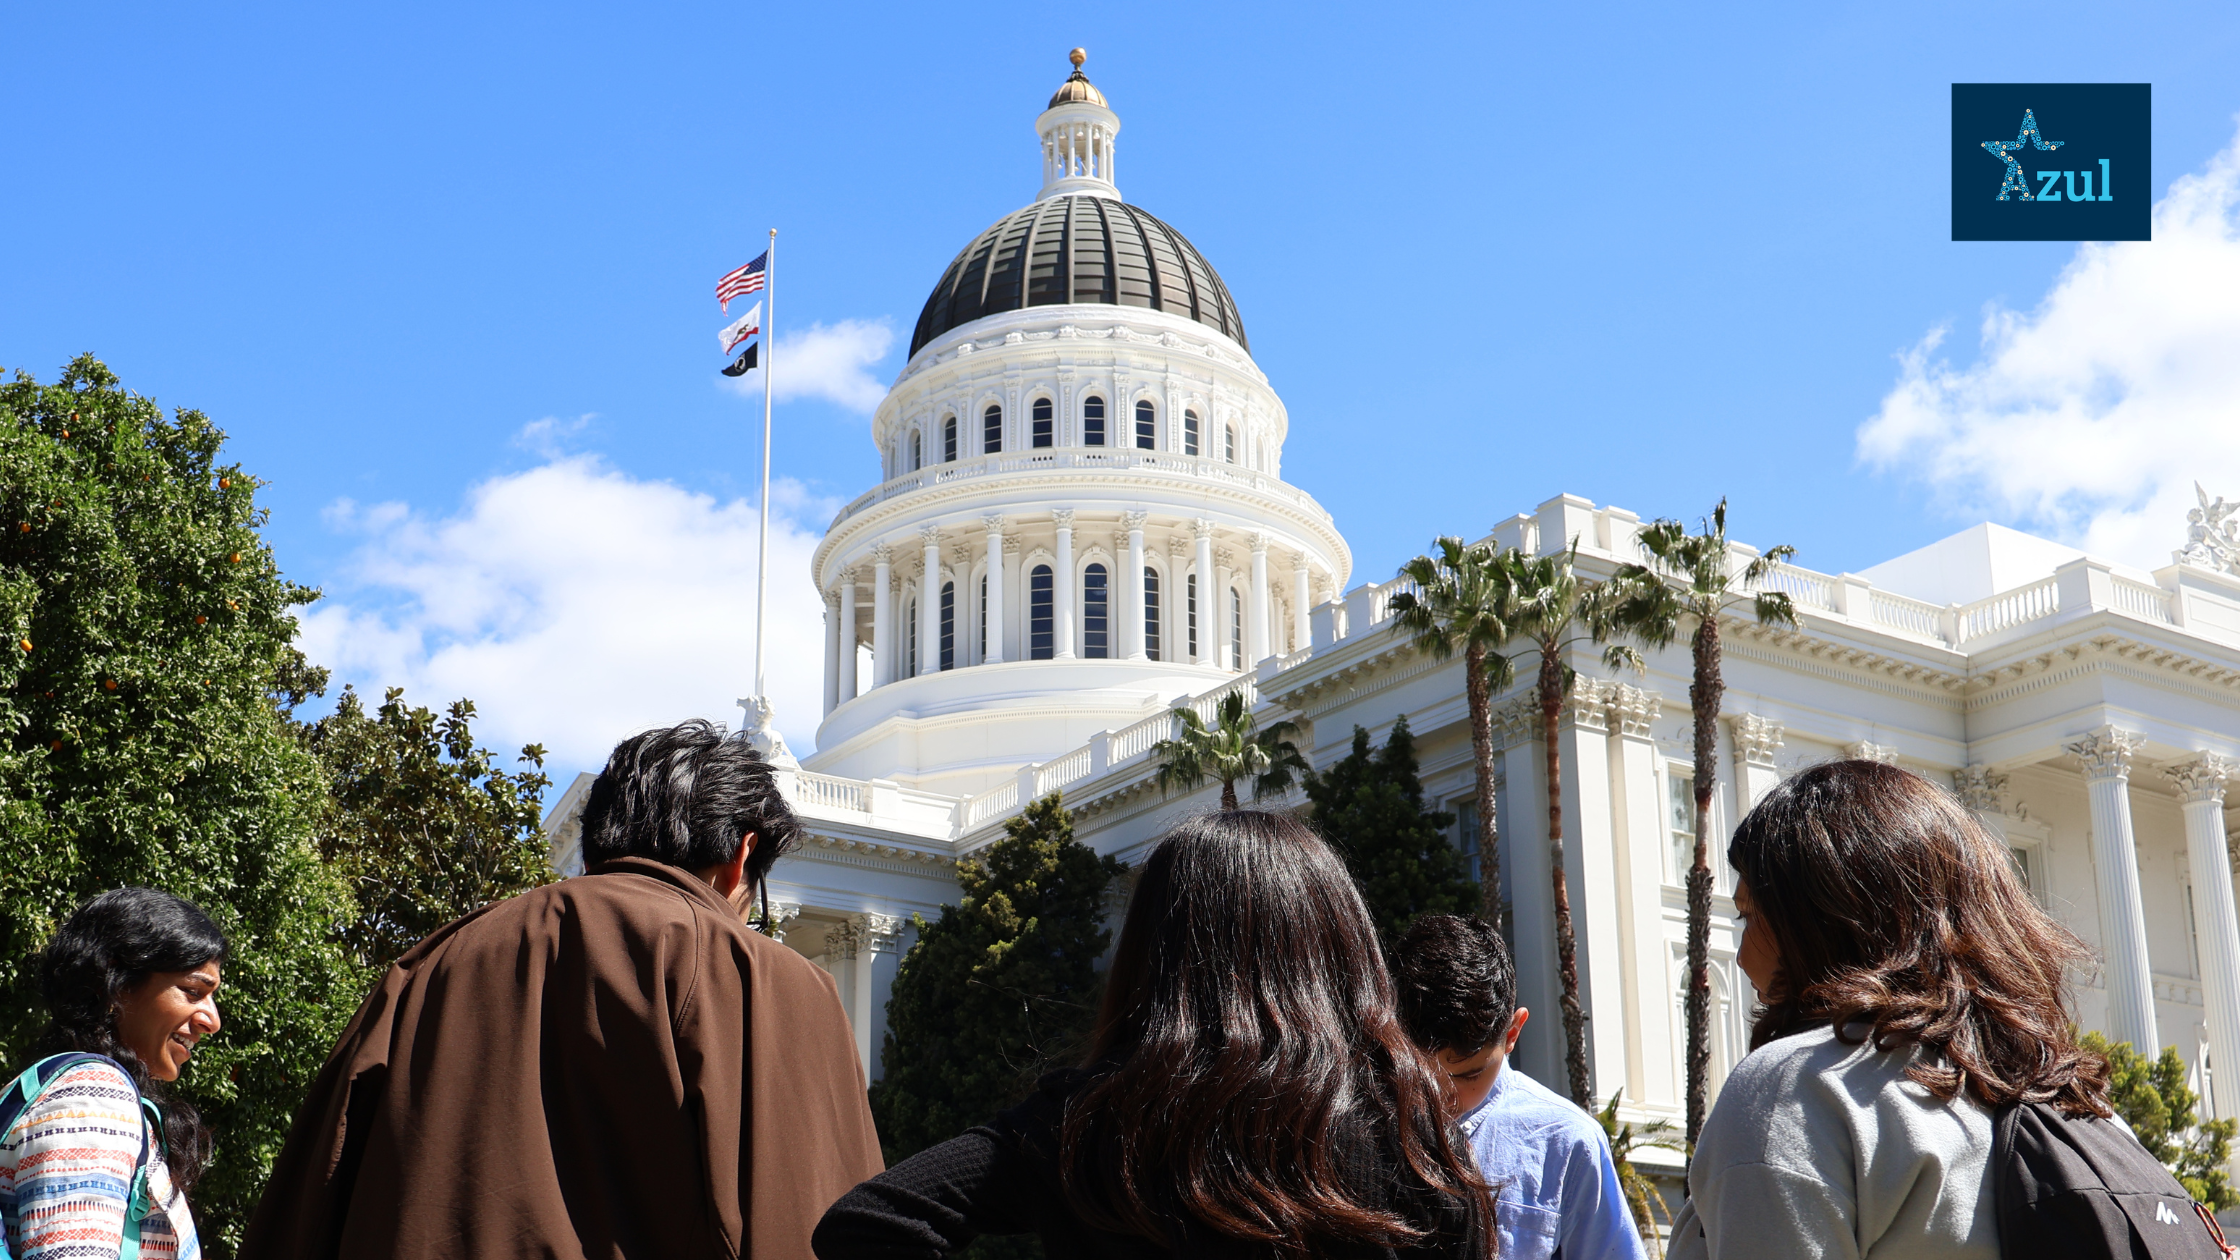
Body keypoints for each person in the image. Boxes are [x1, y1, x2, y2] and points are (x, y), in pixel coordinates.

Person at [241, 720, 884, 1260]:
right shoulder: (766, 979)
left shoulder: (428, 966)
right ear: (741, 859)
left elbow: (307, 1205)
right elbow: (816, 1230)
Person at [812, 809, 1493, 1260]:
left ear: (1157, 954)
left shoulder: (1089, 1124)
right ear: (1343, 950)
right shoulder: (1412, 1135)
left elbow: (867, 1222)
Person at [1670, 759, 2113, 1259]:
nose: (1742, 954)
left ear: (1821, 922)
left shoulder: (1795, 1092)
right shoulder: (2083, 1109)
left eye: (1749, 915)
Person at [1393, 914, 1643, 1260]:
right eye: (1420, 1073)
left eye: (1468, 1075)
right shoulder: (1353, 1127)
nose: (1440, 1095)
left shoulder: (1568, 1142)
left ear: (1512, 1033)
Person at [1, 887, 227, 1260]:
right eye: (192, 991)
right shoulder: (92, 1098)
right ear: (115, 984)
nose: (212, 1021)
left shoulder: (53, 1088)